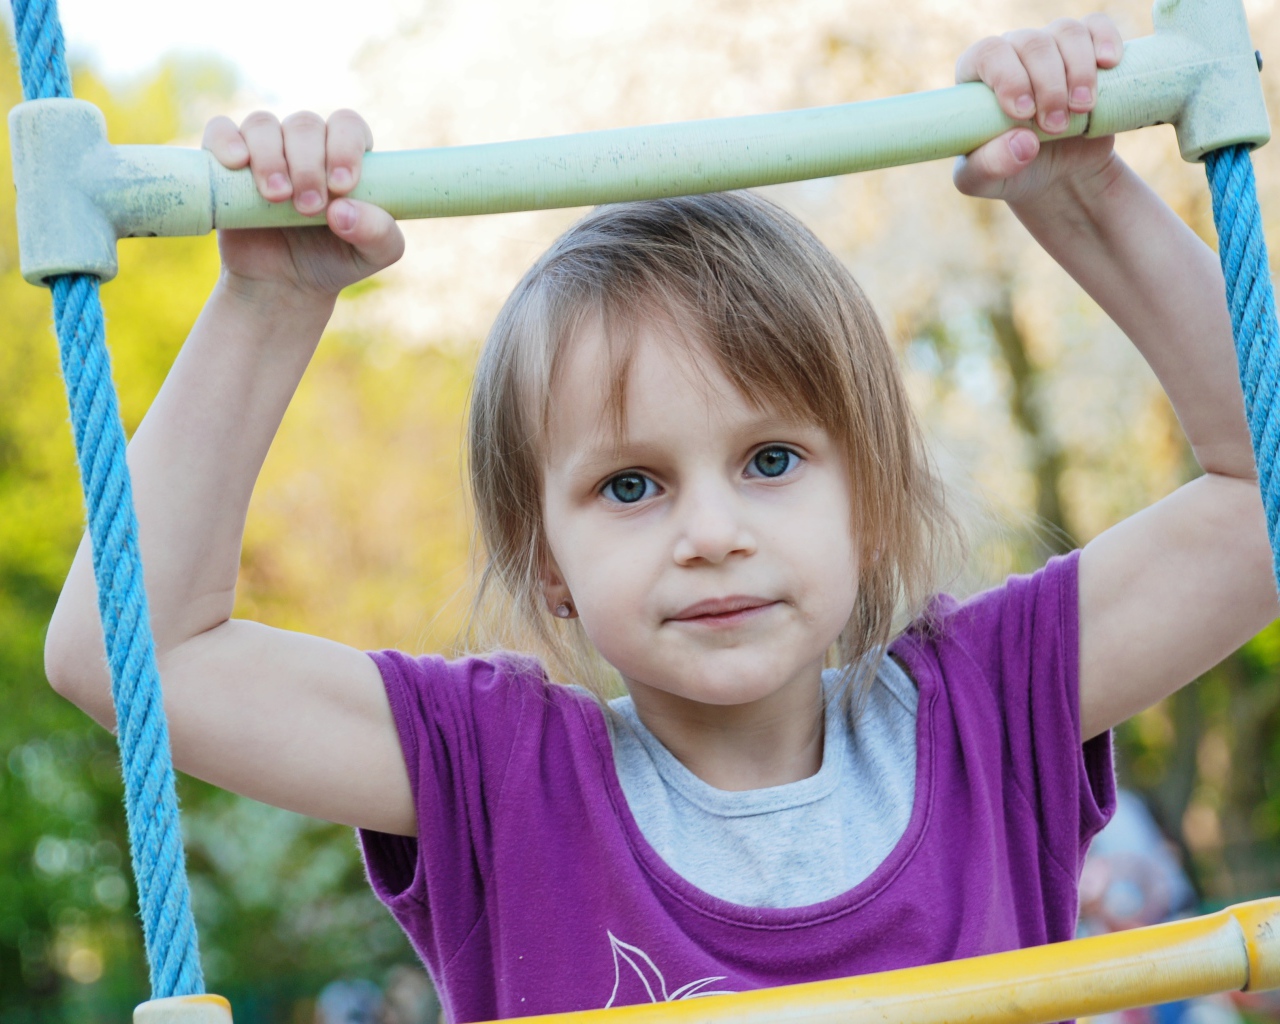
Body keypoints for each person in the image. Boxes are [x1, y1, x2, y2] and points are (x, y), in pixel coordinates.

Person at [43, 13, 1279, 1023]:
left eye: (772, 458)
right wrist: (267, 308)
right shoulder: (503, 779)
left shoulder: (985, 709)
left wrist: (1083, 198)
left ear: (872, 507)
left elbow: (1259, 496)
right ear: (550, 566)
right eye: (628, 486)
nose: (709, 531)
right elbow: (126, 658)